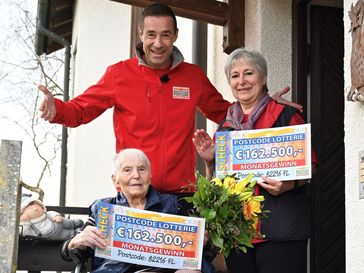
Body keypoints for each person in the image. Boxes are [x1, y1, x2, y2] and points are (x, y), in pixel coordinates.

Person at [37, 3, 231, 202]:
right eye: (151, 35)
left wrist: (259, 107)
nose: (158, 43)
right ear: (141, 34)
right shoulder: (119, 74)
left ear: (175, 35)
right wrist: (57, 109)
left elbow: (228, 115)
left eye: (165, 35)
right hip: (136, 195)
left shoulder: (192, 77)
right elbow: (80, 111)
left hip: (181, 196)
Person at [192, 48, 318, 273]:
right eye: (235, 76)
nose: (242, 81)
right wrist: (210, 162)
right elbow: (216, 187)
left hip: (282, 231)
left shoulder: (286, 116)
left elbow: (310, 168)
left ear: (263, 77)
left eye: (248, 73)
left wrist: (288, 185)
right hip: (238, 234)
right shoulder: (226, 126)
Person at [61, 148, 213, 273]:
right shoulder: (103, 210)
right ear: (115, 180)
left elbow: (199, 253)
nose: (136, 176)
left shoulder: (173, 204)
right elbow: (72, 252)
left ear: (150, 175)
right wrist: (75, 242)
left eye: (142, 169)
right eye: (127, 170)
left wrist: (201, 242)